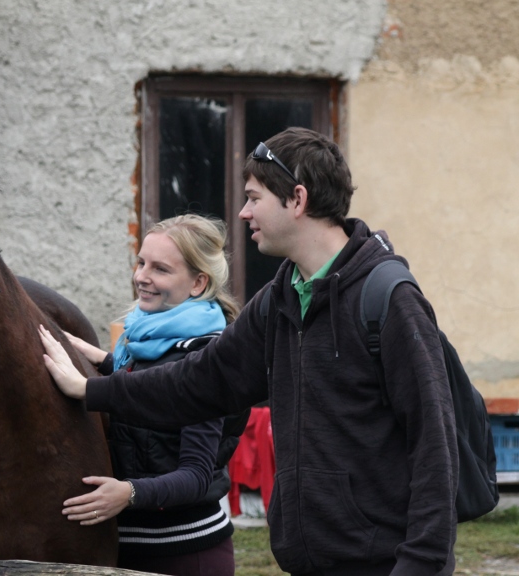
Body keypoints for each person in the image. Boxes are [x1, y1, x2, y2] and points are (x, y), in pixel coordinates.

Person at [40, 127, 458, 576]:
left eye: (254, 198)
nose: (243, 212)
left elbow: (435, 445)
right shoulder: (278, 299)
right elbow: (194, 383)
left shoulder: (389, 298)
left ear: (297, 199)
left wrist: (421, 565)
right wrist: (92, 388)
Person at [41, 213, 245, 576]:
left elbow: (196, 475)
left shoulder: (209, 360)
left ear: (198, 283)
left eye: (161, 269)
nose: (142, 277)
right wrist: (104, 362)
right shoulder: (142, 341)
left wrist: (128, 492)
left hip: (187, 555)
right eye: (141, 263)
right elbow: (154, 387)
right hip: (125, 551)